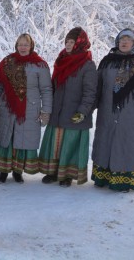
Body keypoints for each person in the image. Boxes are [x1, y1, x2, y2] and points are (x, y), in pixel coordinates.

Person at [91, 28, 134, 192]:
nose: (124, 42)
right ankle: (103, 178)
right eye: (122, 40)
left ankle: (124, 181)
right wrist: (93, 105)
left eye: (128, 40)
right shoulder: (107, 61)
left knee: (127, 145)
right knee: (105, 142)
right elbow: (97, 86)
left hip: (130, 115)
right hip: (107, 111)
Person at [38, 27, 97, 187]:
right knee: (55, 143)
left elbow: (90, 93)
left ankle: (67, 175)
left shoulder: (87, 65)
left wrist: (82, 112)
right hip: (58, 112)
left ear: (80, 44)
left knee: (69, 144)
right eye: (67, 42)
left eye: (72, 42)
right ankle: (53, 172)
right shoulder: (61, 60)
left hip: (75, 113)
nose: (68, 45)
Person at [0, 33, 52, 184]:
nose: (23, 47)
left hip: (29, 110)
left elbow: (46, 89)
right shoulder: (6, 63)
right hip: (7, 108)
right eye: (20, 44)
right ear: (16, 46)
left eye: (26, 44)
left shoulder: (40, 65)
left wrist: (46, 111)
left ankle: (17, 172)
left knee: (21, 140)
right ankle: (3, 171)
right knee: (7, 138)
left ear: (31, 46)